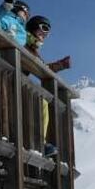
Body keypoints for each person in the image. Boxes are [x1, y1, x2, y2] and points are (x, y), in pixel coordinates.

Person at [24, 15, 70, 156]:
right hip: (8, 80)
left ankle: (37, 141)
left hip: (13, 82)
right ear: (32, 28)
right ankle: (39, 142)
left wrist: (60, 65)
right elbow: (38, 64)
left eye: (48, 31)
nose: (45, 34)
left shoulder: (31, 47)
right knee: (41, 102)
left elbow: (41, 66)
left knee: (41, 101)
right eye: (43, 28)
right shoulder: (23, 41)